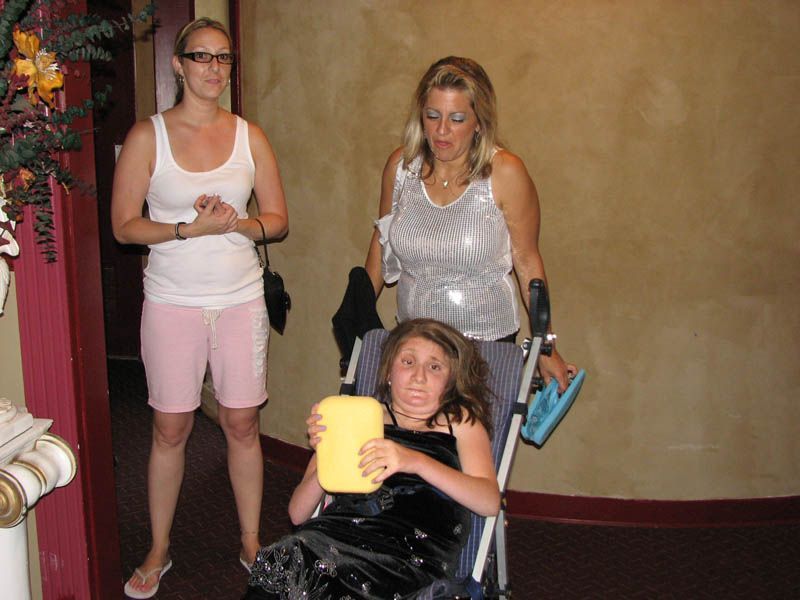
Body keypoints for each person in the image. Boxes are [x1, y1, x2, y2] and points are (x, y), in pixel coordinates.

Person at [111, 17, 288, 599]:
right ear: (178, 64)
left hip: (239, 300)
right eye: (202, 56)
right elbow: (124, 227)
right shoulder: (147, 136)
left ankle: (250, 539)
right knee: (170, 428)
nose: (214, 68)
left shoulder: (249, 136)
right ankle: (159, 548)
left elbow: (278, 220)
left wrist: (238, 223)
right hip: (173, 302)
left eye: (224, 59)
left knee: (242, 423)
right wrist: (189, 228)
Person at [244, 318, 500, 599]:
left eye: (434, 367)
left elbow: (488, 501)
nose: (419, 376)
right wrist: (330, 451)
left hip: (408, 559)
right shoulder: (354, 415)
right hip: (333, 540)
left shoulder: (460, 423)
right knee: (287, 558)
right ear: (389, 372)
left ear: (451, 380)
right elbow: (297, 513)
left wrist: (413, 461)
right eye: (407, 362)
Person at [364, 56, 576, 392]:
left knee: (473, 443)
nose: (442, 130)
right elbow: (382, 240)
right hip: (415, 344)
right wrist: (358, 307)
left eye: (457, 118)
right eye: (432, 116)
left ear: (479, 121)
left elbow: (528, 262)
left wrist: (544, 344)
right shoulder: (401, 168)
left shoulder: (505, 173)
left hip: (483, 347)